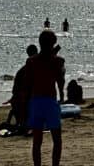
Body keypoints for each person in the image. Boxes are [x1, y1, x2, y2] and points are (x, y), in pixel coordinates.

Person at [26, 29, 65, 166]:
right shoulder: (57, 61)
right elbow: (60, 81)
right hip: (50, 100)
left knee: (37, 141)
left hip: (36, 100)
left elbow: (28, 83)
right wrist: (62, 94)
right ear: (53, 43)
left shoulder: (31, 61)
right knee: (57, 139)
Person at [6, 44, 39, 132]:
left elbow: (15, 90)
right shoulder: (38, 69)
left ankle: (21, 123)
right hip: (25, 100)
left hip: (24, 100)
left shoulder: (22, 71)